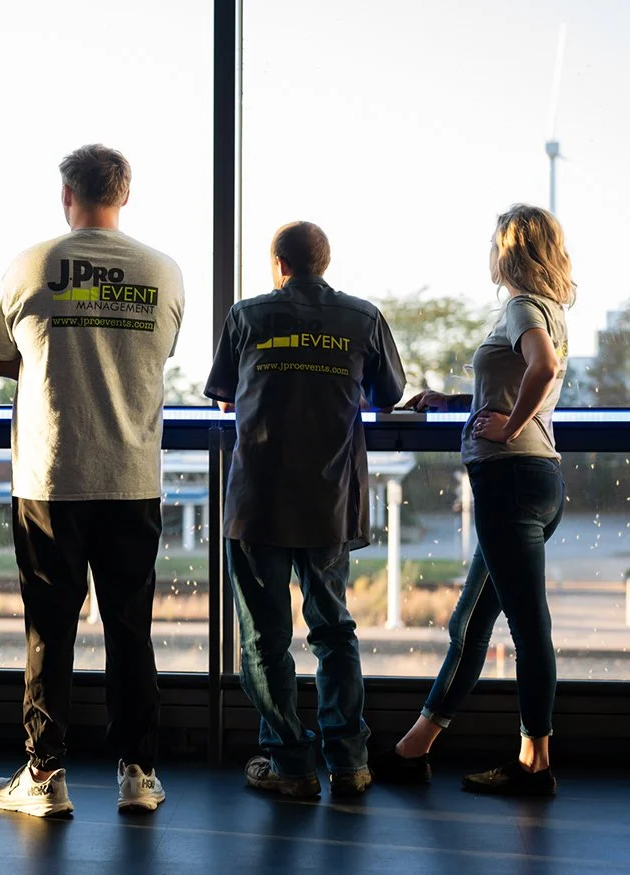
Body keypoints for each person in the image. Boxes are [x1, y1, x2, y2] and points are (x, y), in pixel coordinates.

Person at [0, 144, 185, 817]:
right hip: (132, 475)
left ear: (65, 195)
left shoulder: (29, 265)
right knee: (129, 628)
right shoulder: (164, 271)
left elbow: (5, 360)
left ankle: (44, 775)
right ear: (124, 194)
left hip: (50, 475)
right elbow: (156, 355)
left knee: (49, 629)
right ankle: (138, 772)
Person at [373, 204, 573, 796]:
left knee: (527, 626)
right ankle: (415, 748)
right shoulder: (551, 309)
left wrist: (507, 429)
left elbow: (543, 368)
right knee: (471, 621)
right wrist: (451, 398)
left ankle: (535, 764)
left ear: (507, 250)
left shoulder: (519, 306)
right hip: (534, 480)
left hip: (510, 479)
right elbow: (514, 382)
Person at [204, 221, 406, 799]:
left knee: (264, 641)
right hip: (328, 500)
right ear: (325, 262)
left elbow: (222, 392)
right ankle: (349, 761)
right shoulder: (362, 318)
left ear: (278, 264)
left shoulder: (246, 317)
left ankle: (290, 762)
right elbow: (387, 393)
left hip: (257, 501)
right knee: (334, 629)